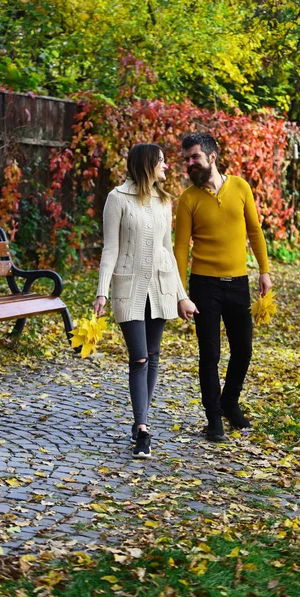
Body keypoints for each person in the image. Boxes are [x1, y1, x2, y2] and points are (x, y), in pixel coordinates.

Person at [94, 143, 197, 459]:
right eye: (162, 161)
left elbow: (167, 249)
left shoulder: (165, 201)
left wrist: (182, 296)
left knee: (153, 356)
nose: (167, 166)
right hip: (129, 287)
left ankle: (142, 424)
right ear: (147, 164)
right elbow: (110, 248)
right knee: (139, 357)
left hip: (162, 286)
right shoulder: (117, 198)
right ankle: (142, 428)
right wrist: (102, 290)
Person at [174, 132, 272, 442]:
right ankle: (213, 417)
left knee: (243, 350)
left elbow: (255, 232)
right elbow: (180, 249)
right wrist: (181, 294)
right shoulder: (188, 199)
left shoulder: (241, 187)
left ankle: (230, 403)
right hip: (205, 286)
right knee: (210, 354)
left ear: (212, 156)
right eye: (186, 159)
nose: (189, 163)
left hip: (239, 283)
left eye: (194, 157)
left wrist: (264, 271)